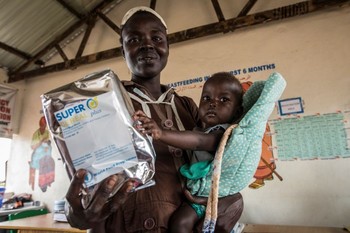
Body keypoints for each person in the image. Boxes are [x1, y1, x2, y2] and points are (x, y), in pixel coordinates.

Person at [64, 6, 243, 233]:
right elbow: (81, 191)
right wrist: (77, 213)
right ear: (123, 50)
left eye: (156, 38)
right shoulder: (105, 104)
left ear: (167, 47)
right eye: (134, 39)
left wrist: (231, 199)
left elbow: (226, 154)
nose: (147, 44)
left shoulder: (187, 106)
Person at [133, 71, 244, 233]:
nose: (213, 103)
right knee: (182, 223)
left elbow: (198, 141)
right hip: (197, 198)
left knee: (181, 224)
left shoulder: (225, 133)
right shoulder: (200, 127)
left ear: (237, 111)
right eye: (206, 98)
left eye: (224, 100)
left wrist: (161, 133)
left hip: (211, 199)